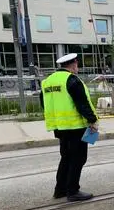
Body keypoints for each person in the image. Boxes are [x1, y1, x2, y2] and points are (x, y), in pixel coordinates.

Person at [39, 53, 98, 202]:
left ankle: (60, 190)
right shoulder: (71, 80)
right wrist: (92, 120)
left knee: (66, 157)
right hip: (75, 126)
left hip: (59, 127)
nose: (77, 67)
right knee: (78, 158)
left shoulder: (48, 81)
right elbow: (81, 102)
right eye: (77, 64)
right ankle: (73, 190)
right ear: (73, 64)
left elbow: (43, 102)